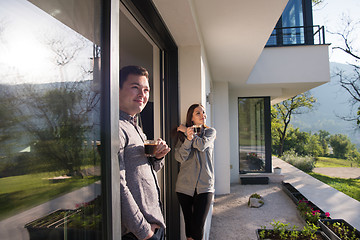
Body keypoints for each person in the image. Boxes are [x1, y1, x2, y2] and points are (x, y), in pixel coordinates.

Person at [119, 65, 171, 240]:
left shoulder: (137, 128)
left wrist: (157, 158)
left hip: (153, 226)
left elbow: (142, 173)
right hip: (137, 234)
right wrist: (145, 232)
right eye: (135, 87)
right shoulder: (117, 128)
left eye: (146, 89)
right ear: (116, 89)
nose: (142, 94)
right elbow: (117, 186)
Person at [174, 104, 216, 240]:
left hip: (205, 187)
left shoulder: (210, 132)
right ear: (191, 118)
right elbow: (180, 157)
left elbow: (202, 145)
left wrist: (187, 131)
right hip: (184, 187)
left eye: (203, 112)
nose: (203, 115)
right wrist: (187, 138)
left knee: (198, 227)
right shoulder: (182, 136)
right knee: (190, 227)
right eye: (198, 113)